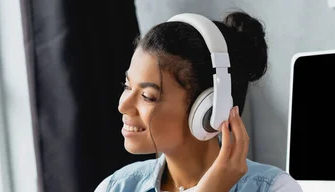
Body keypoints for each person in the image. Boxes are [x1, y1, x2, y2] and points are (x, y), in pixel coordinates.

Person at [95, 11, 303, 192]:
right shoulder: (116, 187)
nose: (123, 105)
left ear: (210, 109)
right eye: (127, 86)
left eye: (147, 97)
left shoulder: (272, 188)